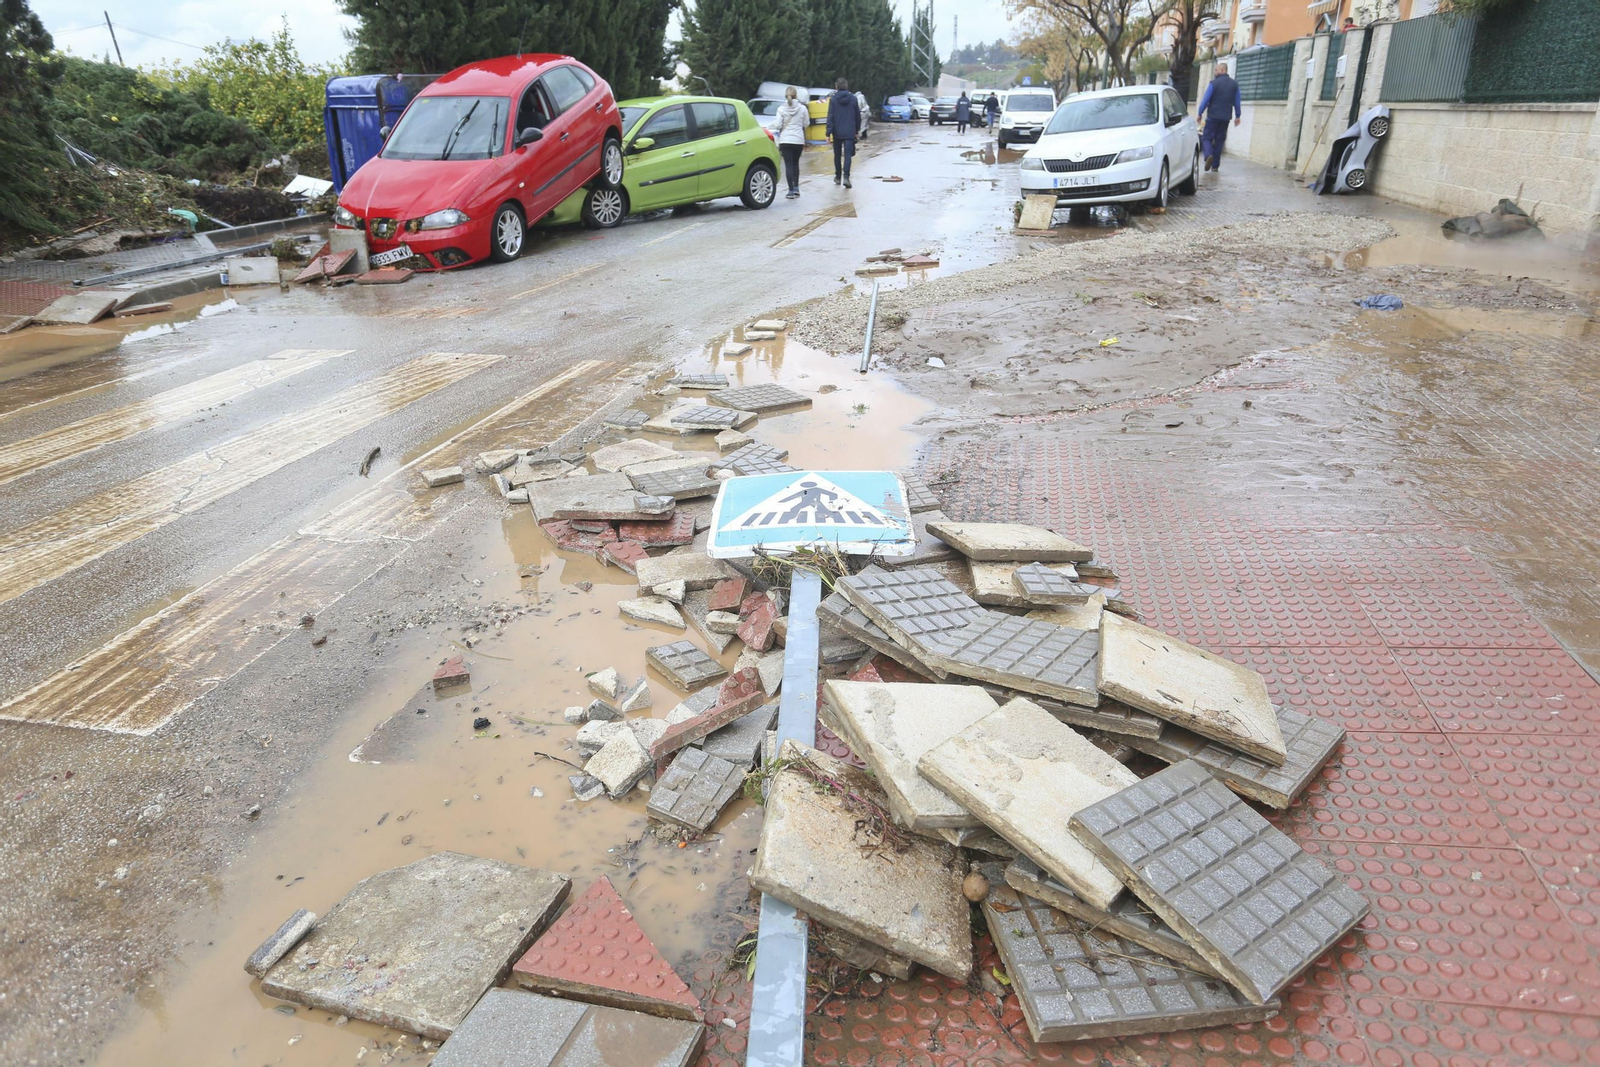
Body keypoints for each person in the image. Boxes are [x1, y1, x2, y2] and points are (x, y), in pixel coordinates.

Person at [1197, 59, 1242, 171]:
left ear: (1222, 70)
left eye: (1216, 70)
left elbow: (1206, 99)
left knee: (1206, 137)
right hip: (1226, 118)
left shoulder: (1213, 84)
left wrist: (1200, 113)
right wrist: (1238, 115)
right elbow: (1237, 101)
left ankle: (1208, 155)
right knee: (1219, 140)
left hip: (1212, 117)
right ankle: (1215, 166)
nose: (1215, 72)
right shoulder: (1234, 85)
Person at [825, 77, 861, 188]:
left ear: (836, 87)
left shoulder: (834, 99)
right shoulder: (853, 99)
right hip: (850, 131)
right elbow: (857, 116)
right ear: (846, 86)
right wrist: (857, 130)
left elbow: (830, 116)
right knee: (848, 155)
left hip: (837, 131)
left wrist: (828, 132)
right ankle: (846, 177)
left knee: (837, 155)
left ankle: (837, 177)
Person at [774, 86, 808, 199]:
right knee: (795, 163)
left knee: (788, 164)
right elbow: (806, 123)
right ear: (796, 95)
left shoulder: (781, 109)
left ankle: (790, 190)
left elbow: (778, 125)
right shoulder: (803, 108)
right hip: (798, 140)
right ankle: (797, 188)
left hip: (785, 140)